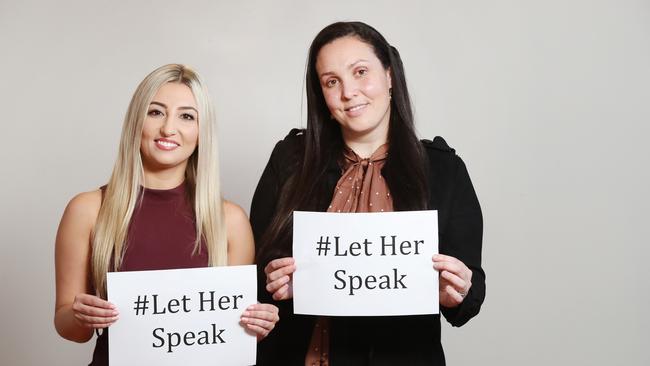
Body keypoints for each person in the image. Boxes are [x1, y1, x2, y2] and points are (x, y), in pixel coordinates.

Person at [251, 22, 485, 365]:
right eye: (332, 81)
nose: (349, 92)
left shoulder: (443, 170)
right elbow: (252, 275)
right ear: (322, 94)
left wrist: (458, 292)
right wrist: (273, 284)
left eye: (361, 72)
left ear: (389, 75)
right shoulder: (289, 161)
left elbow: (471, 290)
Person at [54, 64, 279, 365]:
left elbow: (232, 334)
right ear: (137, 121)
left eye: (187, 116)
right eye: (156, 112)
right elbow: (70, 327)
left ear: (201, 133)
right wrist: (82, 315)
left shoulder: (231, 221)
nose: (168, 128)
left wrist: (257, 325)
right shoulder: (87, 209)